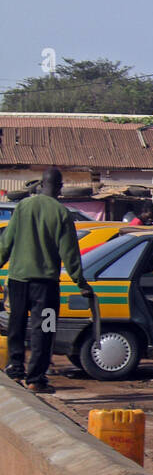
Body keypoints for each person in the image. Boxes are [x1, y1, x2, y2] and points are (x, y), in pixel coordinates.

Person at [0, 168, 94, 393]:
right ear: (60, 187)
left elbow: (6, 242)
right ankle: (36, 379)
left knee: (16, 324)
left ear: (41, 185)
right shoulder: (62, 213)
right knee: (45, 329)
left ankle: (15, 370)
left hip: (18, 281)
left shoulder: (22, 207)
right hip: (46, 286)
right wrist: (81, 283)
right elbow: (70, 254)